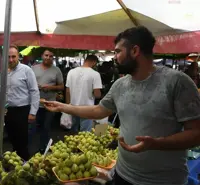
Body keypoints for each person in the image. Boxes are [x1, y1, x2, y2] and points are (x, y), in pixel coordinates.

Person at [44, 26, 200, 185]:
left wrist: (157, 143)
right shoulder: (120, 85)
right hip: (123, 174)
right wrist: (62, 107)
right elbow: (99, 110)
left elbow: (196, 133)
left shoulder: (177, 83)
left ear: (134, 51)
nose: (115, 57)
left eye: (118, 51)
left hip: (164, 181)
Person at [5, 45, 39, 160]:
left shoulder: (26, 70)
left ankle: (25, 163)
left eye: (13, 57)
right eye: (8, 57)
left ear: (18, 56)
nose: (10, 60)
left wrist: (33, 112)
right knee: (12, 139)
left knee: (22, 141)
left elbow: (34, 91)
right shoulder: (4, 70)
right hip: (8, 111)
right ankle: (15, 163)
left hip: (22, 110)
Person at [32, 49, 63, 152]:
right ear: (42, 56)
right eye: (46, 55)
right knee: (33, 128)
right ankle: (32, 149)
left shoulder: (56, 70)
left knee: (46, 127)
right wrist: (34, 86)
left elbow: (61, 87)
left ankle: (43, 149)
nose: (48, 57)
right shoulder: (33, 68)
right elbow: (28, 84)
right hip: (35, 104)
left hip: (49, 104)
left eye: (50, 56)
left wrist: (49, 88)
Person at [66, 55, 102, 132]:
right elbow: (97, 94)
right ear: (94, 62)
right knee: (85, 136)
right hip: (87, 109)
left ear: (85, 60)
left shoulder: (71, 72)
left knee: (73, 135)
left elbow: (68, 91)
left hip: (73, 107)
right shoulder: (95, 74)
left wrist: (67, 106)